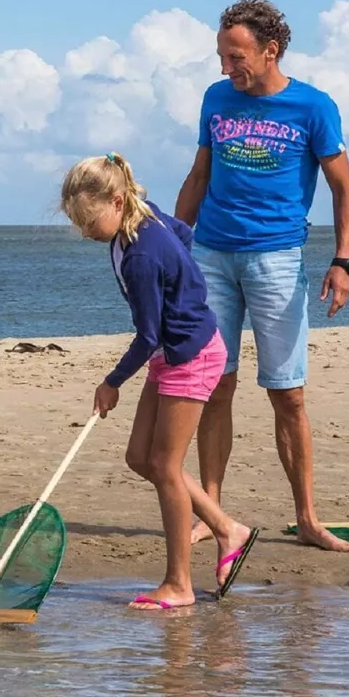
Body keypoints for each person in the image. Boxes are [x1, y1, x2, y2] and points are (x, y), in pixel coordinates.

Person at [174, 0, 349, 554]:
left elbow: (344, 189)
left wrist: (343, 261)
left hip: (277, 259)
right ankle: (210, 509)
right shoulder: (216, 99)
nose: (227, 67)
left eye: (235, 56)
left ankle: (306, 518)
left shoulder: (313, 107)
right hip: (210, 255)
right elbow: (199, 174)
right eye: (222, 56)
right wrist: (175, 245)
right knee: (215, 386)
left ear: (269, 50)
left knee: (288, 395)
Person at [62, 153, 260, 610]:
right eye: (79, 224)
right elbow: (186, 234)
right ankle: (228, 528)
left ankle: (179, 584)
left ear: (116, 200)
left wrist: (111, 382)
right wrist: (182, 284)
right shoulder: (144, 218)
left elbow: (147, 333)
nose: (87, 232)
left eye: (90, 221)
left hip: (189, 354)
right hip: (171, 351)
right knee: (140, 457)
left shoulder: (142, 254)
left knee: (166, 467)